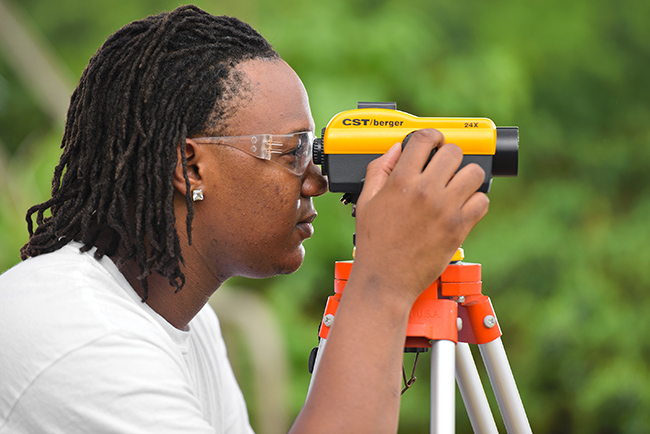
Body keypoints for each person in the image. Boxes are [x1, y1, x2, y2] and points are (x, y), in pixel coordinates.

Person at [0, 5, 489, 434]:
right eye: (295, 149)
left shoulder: (189, 320)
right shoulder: (87, 341)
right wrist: (384, 282)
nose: (316, 179)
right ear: (190, 166)